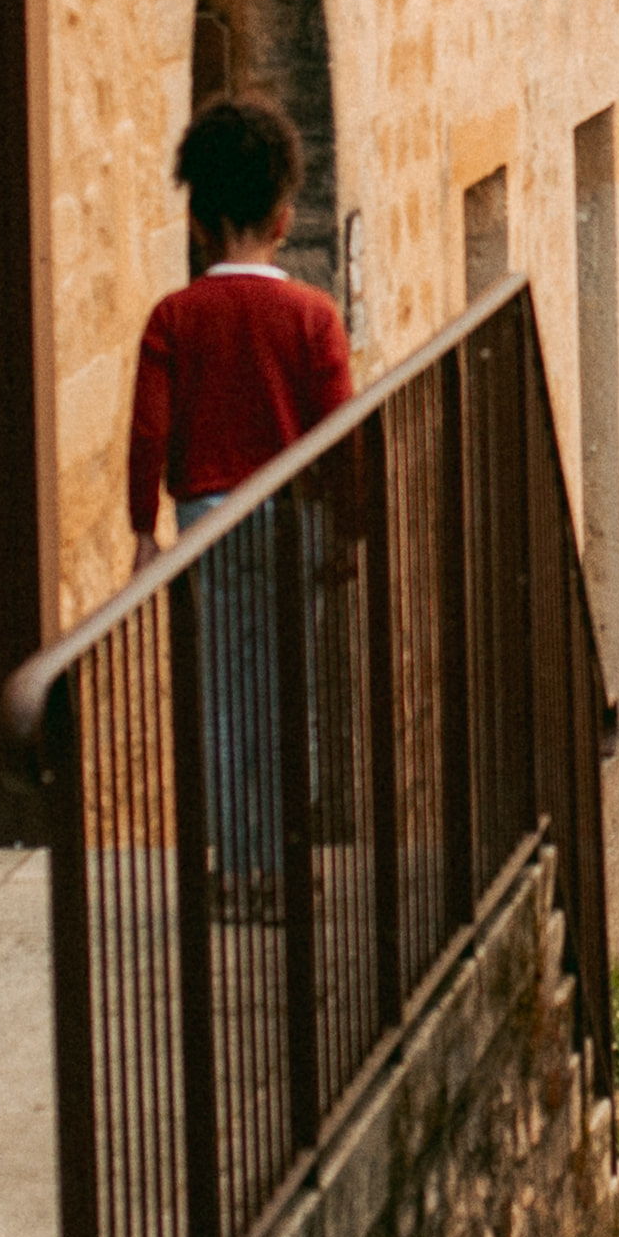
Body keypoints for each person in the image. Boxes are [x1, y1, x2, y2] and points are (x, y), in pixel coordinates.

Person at [126, 99, 354, 906]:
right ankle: (285, 866)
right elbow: (340, 435)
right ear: (285, 220)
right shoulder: (314, 318)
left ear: (196, 222)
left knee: (222, 693)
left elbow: (149, 432)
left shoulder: (174, 319)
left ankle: (235, 868)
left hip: (206, 521)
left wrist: (143, 532)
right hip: (294, 519)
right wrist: (347, 528)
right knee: (291, 689)